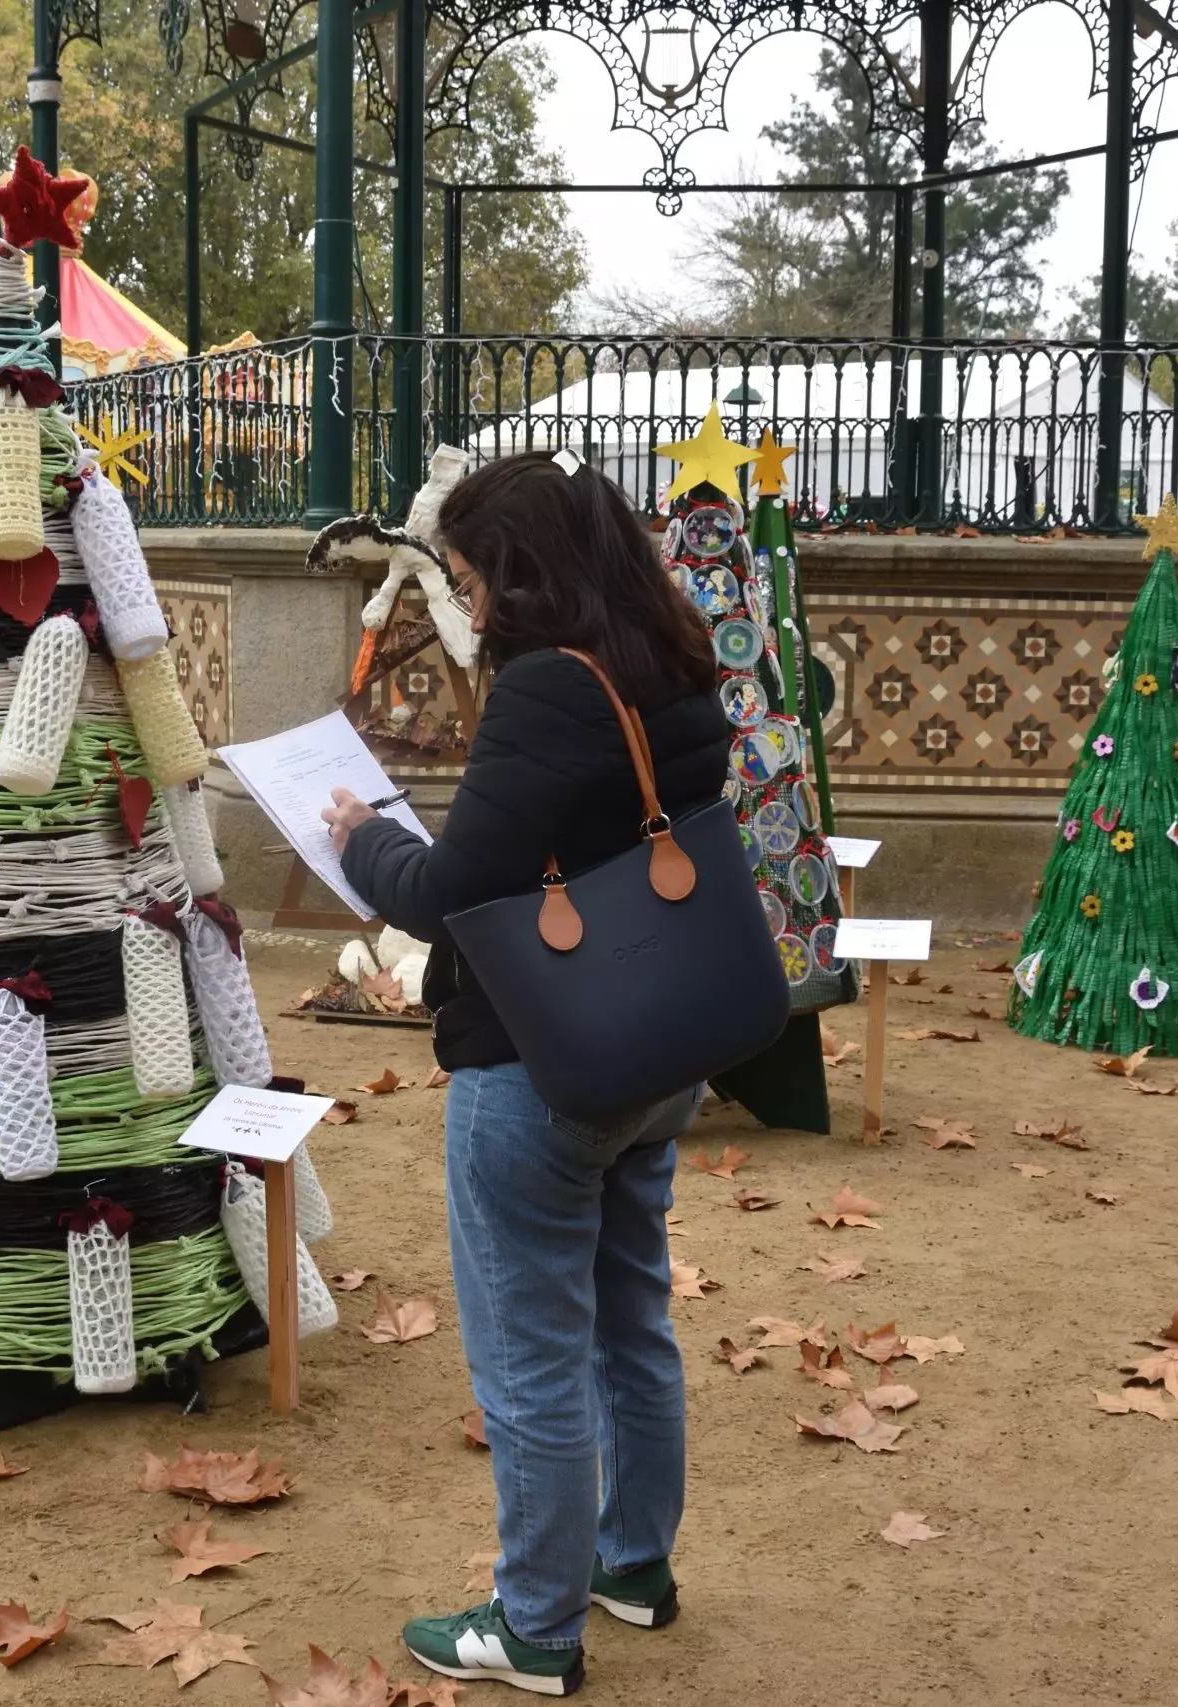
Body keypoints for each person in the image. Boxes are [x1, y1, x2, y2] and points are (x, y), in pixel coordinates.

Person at [325, 450, 729, 1697]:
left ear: (522, 571)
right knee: (629, 1324)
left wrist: (365, 840)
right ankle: (632, 1569)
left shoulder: (549, 689)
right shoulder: (674, 661)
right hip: (658, 1039)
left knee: (531, 1359)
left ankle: (536, 1625)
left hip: (540, 1064)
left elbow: (454, 893)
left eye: (470, 576)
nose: (470, 603)